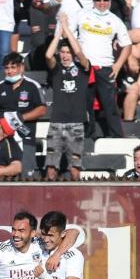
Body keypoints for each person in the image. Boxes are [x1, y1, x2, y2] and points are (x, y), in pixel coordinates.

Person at [69, 0, 131, 138]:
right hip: (84, 67)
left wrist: (118, 65)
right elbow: (69, 35)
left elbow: (127, 45)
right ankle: (86, 137)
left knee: (110, 106)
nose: (102, 3)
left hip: (105, 67)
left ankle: (117, 138)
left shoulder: (115, 20)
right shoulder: (82, 14)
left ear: (110, 0)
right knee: (84, 105)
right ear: (93, 0)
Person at [44, 13, 90, 181]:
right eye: (62, 52)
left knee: (75, 169)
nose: (65, 55)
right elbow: (48, 56)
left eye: (68, 52)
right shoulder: (56, 69)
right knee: (50, 168)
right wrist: (58, 33)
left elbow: (79, 51)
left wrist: (66, 27)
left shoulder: (83, 68)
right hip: (56, 123)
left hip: (76, 123)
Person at [0, 52, 47, 177]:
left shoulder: (33, 86)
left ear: (21, 68)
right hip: (3, 140)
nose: (10, 71)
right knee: (0, 176)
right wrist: (0, 116)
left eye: (13, 67)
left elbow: (42, 110)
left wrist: (21, 117)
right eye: (7, 68)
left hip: (25, 138)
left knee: (26, 177)